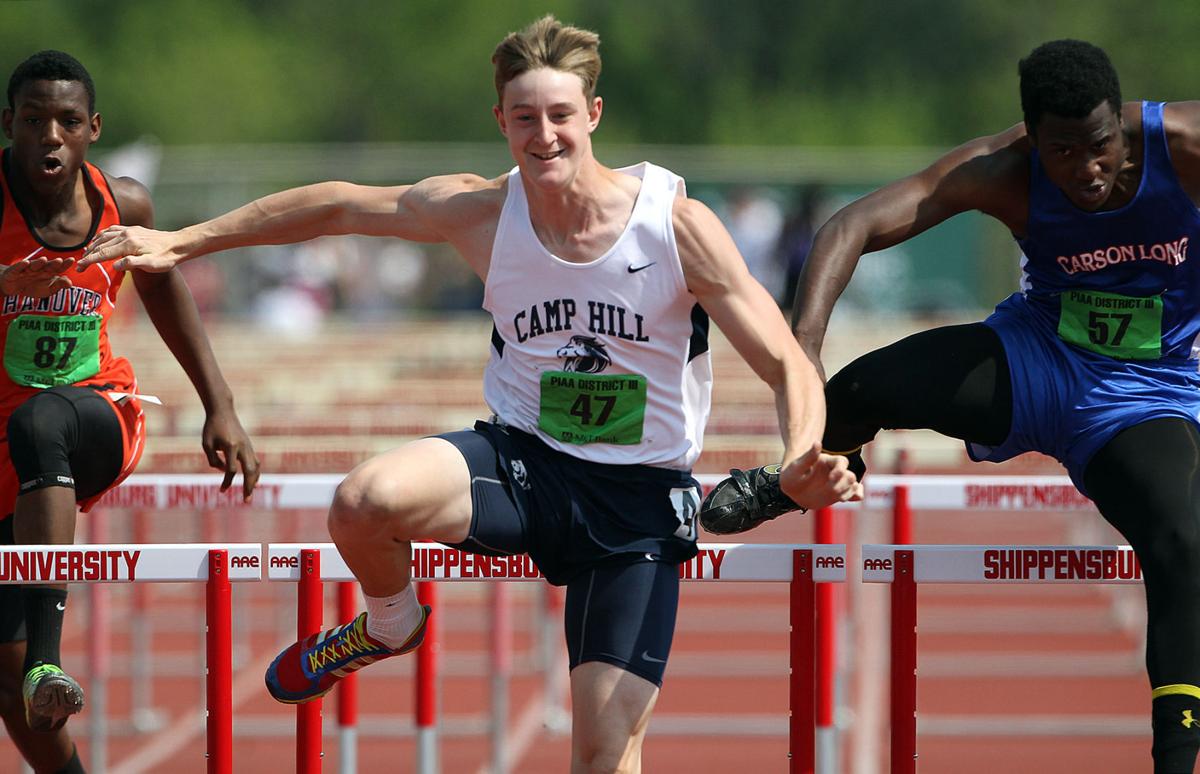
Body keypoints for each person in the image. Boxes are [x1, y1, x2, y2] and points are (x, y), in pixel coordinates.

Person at [78, 16, 861, 773]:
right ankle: (391, 625)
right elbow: (339, 204)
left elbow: (788, 361)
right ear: (501, 121)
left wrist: (799, 459)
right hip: (524, 462)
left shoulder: (675, 227)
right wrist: (185, 238)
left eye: (560, 116)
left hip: (638, 499)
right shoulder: (482, 212)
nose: (544, 136)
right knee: (362, 502)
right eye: (525, 118)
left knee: (602, 750)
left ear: (593, 114)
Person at [711, 39, 1200, 773]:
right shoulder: (1002, 170)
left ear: (1122, 126)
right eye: (1062, 152)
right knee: (857, 389)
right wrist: (801, 350)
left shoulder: (1185, 147)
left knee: (1183, 543)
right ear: (1032, 140)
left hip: (1144, 392)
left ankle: (1175, 755)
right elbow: (851, 227)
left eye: (1101, 146)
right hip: (1037, 358)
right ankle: (798, 476)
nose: (1087, 170)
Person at [0, 50, 260, 773]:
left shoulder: (126, 204)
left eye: (67, 122)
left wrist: (221, 407)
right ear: (8, 125)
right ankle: (41, 692)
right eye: (33, 121)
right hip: (6, 443)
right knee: (7, 676)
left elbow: (168, 294)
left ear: (92, 129)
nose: (49, 136)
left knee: (43, 422)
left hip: (99, 415)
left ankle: (51, 661)